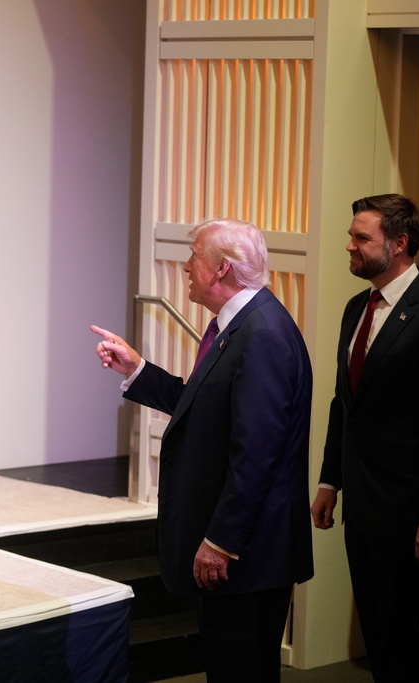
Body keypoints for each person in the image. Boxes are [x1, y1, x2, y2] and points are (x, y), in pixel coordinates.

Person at [92, 219, 314, 681]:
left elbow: (257, 452)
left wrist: (221, 542)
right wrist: (139, 370)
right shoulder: (238, 326)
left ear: (222, 269)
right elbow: (204, 408)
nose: (186, 265)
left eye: (194, 255)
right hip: (242, 550)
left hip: (247, 554)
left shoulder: (263, 335)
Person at [311, 194, 419, 682]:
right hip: (362, 509)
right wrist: (328, 482)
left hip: (412, 517)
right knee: (381, 640)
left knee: (411, 642)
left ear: (399, 244)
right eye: (352, 235)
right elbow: (346, 403)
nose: (350, 246)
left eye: (362, 238)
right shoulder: (354, 308)